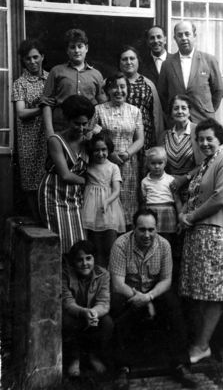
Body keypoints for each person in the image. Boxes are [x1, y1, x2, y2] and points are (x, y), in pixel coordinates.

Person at [109, 208, 194, 388]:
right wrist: (139, 298)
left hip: (153, 293)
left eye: (151, 229)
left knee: (173, 305)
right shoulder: (120, 244)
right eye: (142, 229)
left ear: (156, 228)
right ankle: (122, 369)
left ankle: (180, 365)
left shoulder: (164, 245)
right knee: (117, 306)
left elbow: (166, 280)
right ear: (133, 228)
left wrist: (148, 298)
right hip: (129, 293)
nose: (147, 234)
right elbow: (117, 284)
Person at [179, 118, 223, 364]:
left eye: (209, 139)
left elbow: (220, 198)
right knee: (199, 291)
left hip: (215, 233)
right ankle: (200, 344)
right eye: (200, 139)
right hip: (198, 233)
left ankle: (202, 345)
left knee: (215, 292)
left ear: (220, 140)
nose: (204, 143)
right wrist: (183, 214)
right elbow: (195, 195)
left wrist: (190, 217)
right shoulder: (205, 164)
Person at [38, 94, 95, 255]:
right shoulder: (56, 140)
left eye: (85, 124)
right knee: (63, 241)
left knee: (80, 241)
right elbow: (65, 175)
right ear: (67, 120)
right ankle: (61, 278)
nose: (81, 128)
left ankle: (76, 279)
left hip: (76, 196)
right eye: (77, 124)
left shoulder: (87, 141)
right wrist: (92, 183)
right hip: (54, 194)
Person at [91, 73, 144, 229]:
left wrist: (127, 154)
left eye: (122, 86)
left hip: (128, 164)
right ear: (108, 90)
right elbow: (92, 134)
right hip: (105, 163)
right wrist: (111, 153)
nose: (119, 91)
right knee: (107, 204)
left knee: (128, 206)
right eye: (114, 87)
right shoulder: (98, 110)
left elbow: (140, 139)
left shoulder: (135, 111)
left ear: (128, 89)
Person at [41, 28, 106, 137]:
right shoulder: (56, 71)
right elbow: (46, 104)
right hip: (61, 128)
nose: (76, 50)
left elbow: (102, 106)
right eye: (72, 47)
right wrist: (50, 133)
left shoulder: (96, 74)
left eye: (80, 46)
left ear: (87, 48)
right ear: (67, 50)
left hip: (87, 131)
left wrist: (95, 130)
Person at [12, 39, 51, 219]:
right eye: (28, 59)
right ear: (24, 61)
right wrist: (43, 108)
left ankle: (48, 220)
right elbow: (21, 112)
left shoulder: (51, 78)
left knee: (49, 178)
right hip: (29, 138)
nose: (33, 61)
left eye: (36, 57)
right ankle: (36, 221)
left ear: (42, 56)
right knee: (30, 180)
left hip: (49, 134)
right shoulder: (20, 83)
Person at [62, 240, 113, 377]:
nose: (85, 263)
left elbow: (104, 302)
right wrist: (84, 312)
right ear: (73, 262)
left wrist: (94, 312)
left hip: (93, 316)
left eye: (88, 258)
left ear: (94, 259)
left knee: (107, 322)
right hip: (75, 315)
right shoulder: (66, 274)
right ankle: (74, 359)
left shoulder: (103, 274)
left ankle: (93, 356)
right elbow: (67, 302)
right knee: (66, 321)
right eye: (80, 260)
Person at [158, 20, 223, 124]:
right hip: (177, 122)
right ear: (175, 39)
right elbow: (162, 94)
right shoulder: (167, 64)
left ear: (194, 36)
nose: (184, 38)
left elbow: (218, 90)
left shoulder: (209, 60)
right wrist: (172, 113)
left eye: (187, 34)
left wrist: (208, 110)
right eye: (180, 35)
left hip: (203, 120)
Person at [82, 132, 125, 268]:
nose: (100, 154)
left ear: (109, 150)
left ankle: (111, 275)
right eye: (96, 150)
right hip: (91, 208)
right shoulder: (87, 166)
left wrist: (107, 201)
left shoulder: (113, 167)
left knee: (110, 245)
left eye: (104, 150)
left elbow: (116, 190)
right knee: (95, 245)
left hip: (110, 208)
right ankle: (97, 273)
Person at [118, 45, 164, 175]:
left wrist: (158, 144)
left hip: (145, 140)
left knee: (143, 178)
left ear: (138, 61)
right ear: (119, 62)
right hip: (120, 139)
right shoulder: (112, 84)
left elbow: (157, 116)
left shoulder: (148, 84)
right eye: (124, 59)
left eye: (132, 58)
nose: (128, 62)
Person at [160, 94, 203, 202]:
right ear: (171, 112)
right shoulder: (165, 135)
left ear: (189, 111)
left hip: (194, 186)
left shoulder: (198, 131)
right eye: (176, 108)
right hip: (171, 187)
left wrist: (185, 178)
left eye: (184, 108)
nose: (180, 111)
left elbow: (205, 162)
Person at [141, 146, 182, 245]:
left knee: (167, 242)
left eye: (160, 163)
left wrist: (180, 218)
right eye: (153, 163)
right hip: (151, 213)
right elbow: (143, 201)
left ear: (165, 163)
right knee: (152, 241)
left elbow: (177, 200)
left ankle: (166, 259)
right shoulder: (145, 181)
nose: (157, 166)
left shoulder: (170, 180)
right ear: (148, 164)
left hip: (167, 213)